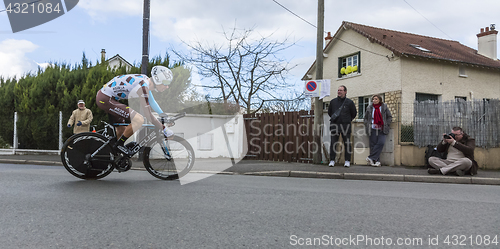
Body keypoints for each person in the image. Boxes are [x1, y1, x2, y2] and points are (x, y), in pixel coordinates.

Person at [96, 65, 174, 157]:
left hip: (109, 98)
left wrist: (162, 114)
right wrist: (164, 129)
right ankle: (119, 145)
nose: (167, 86)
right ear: (157, 80)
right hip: (105, 99)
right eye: (165, 83)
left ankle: (115, 157)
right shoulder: (143, 87)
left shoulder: (146, 81)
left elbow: (152, 101)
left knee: (122, 130)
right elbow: (148, 115)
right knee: (139, 119)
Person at [327, 85, 357, 167]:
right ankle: (332, 160)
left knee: (347, 144)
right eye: (338, 90)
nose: (339, 92)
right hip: (334, 125)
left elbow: (353, 113)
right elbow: (330, 112)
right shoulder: (333, 102)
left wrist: (346, 120)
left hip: (345, 126)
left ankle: (347, 161)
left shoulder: (349, 102)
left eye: (341, 90)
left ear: (345, 92)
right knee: (333, 143)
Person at [363, 94, 392, 167]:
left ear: (379, 100)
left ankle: (370, 157)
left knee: (381, 143)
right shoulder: (369, 108)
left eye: (376, 99)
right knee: (373, 145)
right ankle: (376, 161)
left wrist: (387, 124)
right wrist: (367, 124)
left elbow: (389, 117)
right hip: (372, 128)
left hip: (382, 128)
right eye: (373, 99)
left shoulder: (384, 107)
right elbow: (365, 118)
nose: (374, 100)